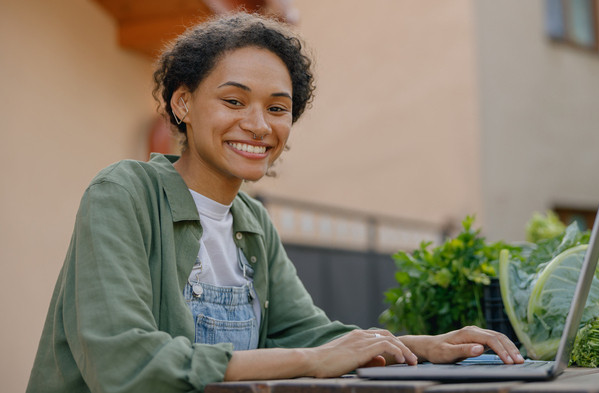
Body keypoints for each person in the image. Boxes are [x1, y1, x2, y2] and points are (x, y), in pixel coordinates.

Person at [27, 12, 523, 393]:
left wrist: (420, 347)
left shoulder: (252, 222)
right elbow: (124, 364)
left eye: (278, 108)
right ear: (183, 104)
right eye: (234, 101)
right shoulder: (123, 194)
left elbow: (306, 333)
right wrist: (310, 363)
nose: (260, 125)